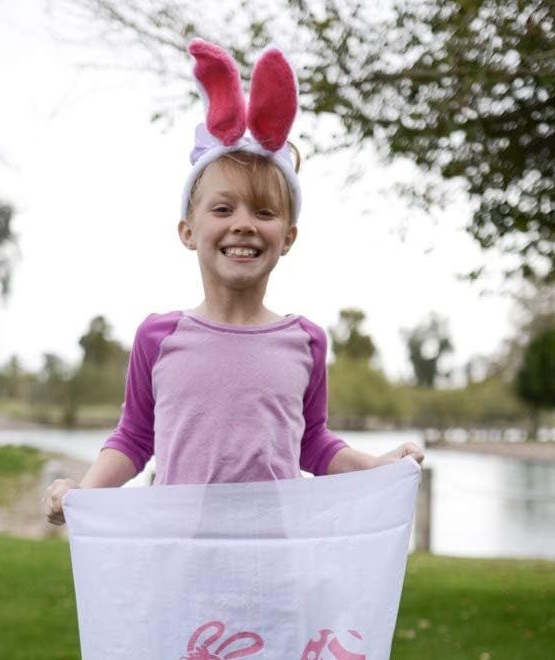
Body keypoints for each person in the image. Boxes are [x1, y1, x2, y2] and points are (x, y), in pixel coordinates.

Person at [42, 39, 423, 526]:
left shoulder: (305, 341)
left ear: (287, 237)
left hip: (273, 568)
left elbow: (312, 442)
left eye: (263, 212)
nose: (243, 224)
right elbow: (135, 437)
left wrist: (373, 467)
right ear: (188, 231)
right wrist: (84, 491)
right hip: (178, 563)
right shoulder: (158, 338)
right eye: (223, 209)